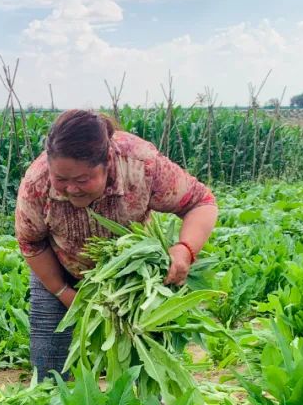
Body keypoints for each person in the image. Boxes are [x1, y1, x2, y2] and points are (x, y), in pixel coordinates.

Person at [14, 108, 218, 378]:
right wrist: (65, 294)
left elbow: (201, 202)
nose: (71, 188)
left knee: (146, 366)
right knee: (51, 364)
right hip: (59, 270)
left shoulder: (141, 165)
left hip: (132, 280)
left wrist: (185, 249)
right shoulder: (37, 183)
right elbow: (31, 244)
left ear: (108, 162)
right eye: (61, 179)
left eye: (82, 179)